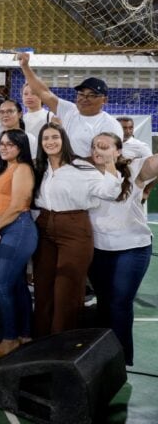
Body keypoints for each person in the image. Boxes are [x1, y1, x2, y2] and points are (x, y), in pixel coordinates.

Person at [33, 123, 121, 336]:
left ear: (64, 140)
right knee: (42, 287)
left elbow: (109, 193)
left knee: (68, 289)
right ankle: (40, 342)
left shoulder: (81, 167)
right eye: (46, 138)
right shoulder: (40, 169)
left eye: (55, 137)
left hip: (74, 228)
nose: (50, 142)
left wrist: (110, 164)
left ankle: (61, 344)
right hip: (44, 226)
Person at [87, 133, 156, 366]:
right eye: (95, 146)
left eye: (105, 146)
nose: (99, 149)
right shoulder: (84, 175)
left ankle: (121, 359)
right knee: (104, 303)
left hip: (133, 248)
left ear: (118, 151)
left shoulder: (135, 169)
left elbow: (154, 163)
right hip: (98, 250)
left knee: (120, 302)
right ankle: (102, 357)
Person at [0, 130, 37, 358]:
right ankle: (24, 334)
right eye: (1, 143)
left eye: (10, 144)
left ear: (21, 147)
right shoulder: (3, 168)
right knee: (16, 285)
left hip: (18, 228)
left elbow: (16, 205)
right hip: (2, 227)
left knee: (1, 284)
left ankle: (10, 337)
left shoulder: (23, 168)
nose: (4, 147)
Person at [19, 52, 122, 157]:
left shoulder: (109, 125)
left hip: (89, 172)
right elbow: (43, 92)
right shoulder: (69, 110)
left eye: (92, 95)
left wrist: (72, 164)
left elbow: (108, 158)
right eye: (81, 94)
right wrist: (25, 66)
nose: (84, 99)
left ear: (104, 100)